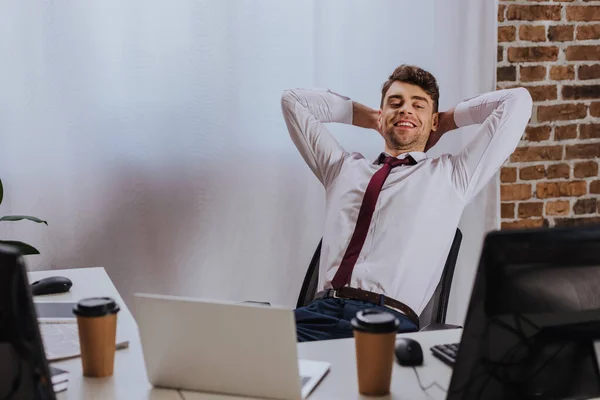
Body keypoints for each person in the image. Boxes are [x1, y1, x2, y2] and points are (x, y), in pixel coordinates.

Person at [281, 64, 532, 342]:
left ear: (433, 120)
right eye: (395, 103)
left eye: (418, 104)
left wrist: (445, 121)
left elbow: (517, 101)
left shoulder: (452, 177)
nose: (405, 110)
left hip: (387, 324)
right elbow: (293, 102)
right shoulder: (341, 169)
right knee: (241, 357)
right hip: (317, 314)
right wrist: (373, 117)